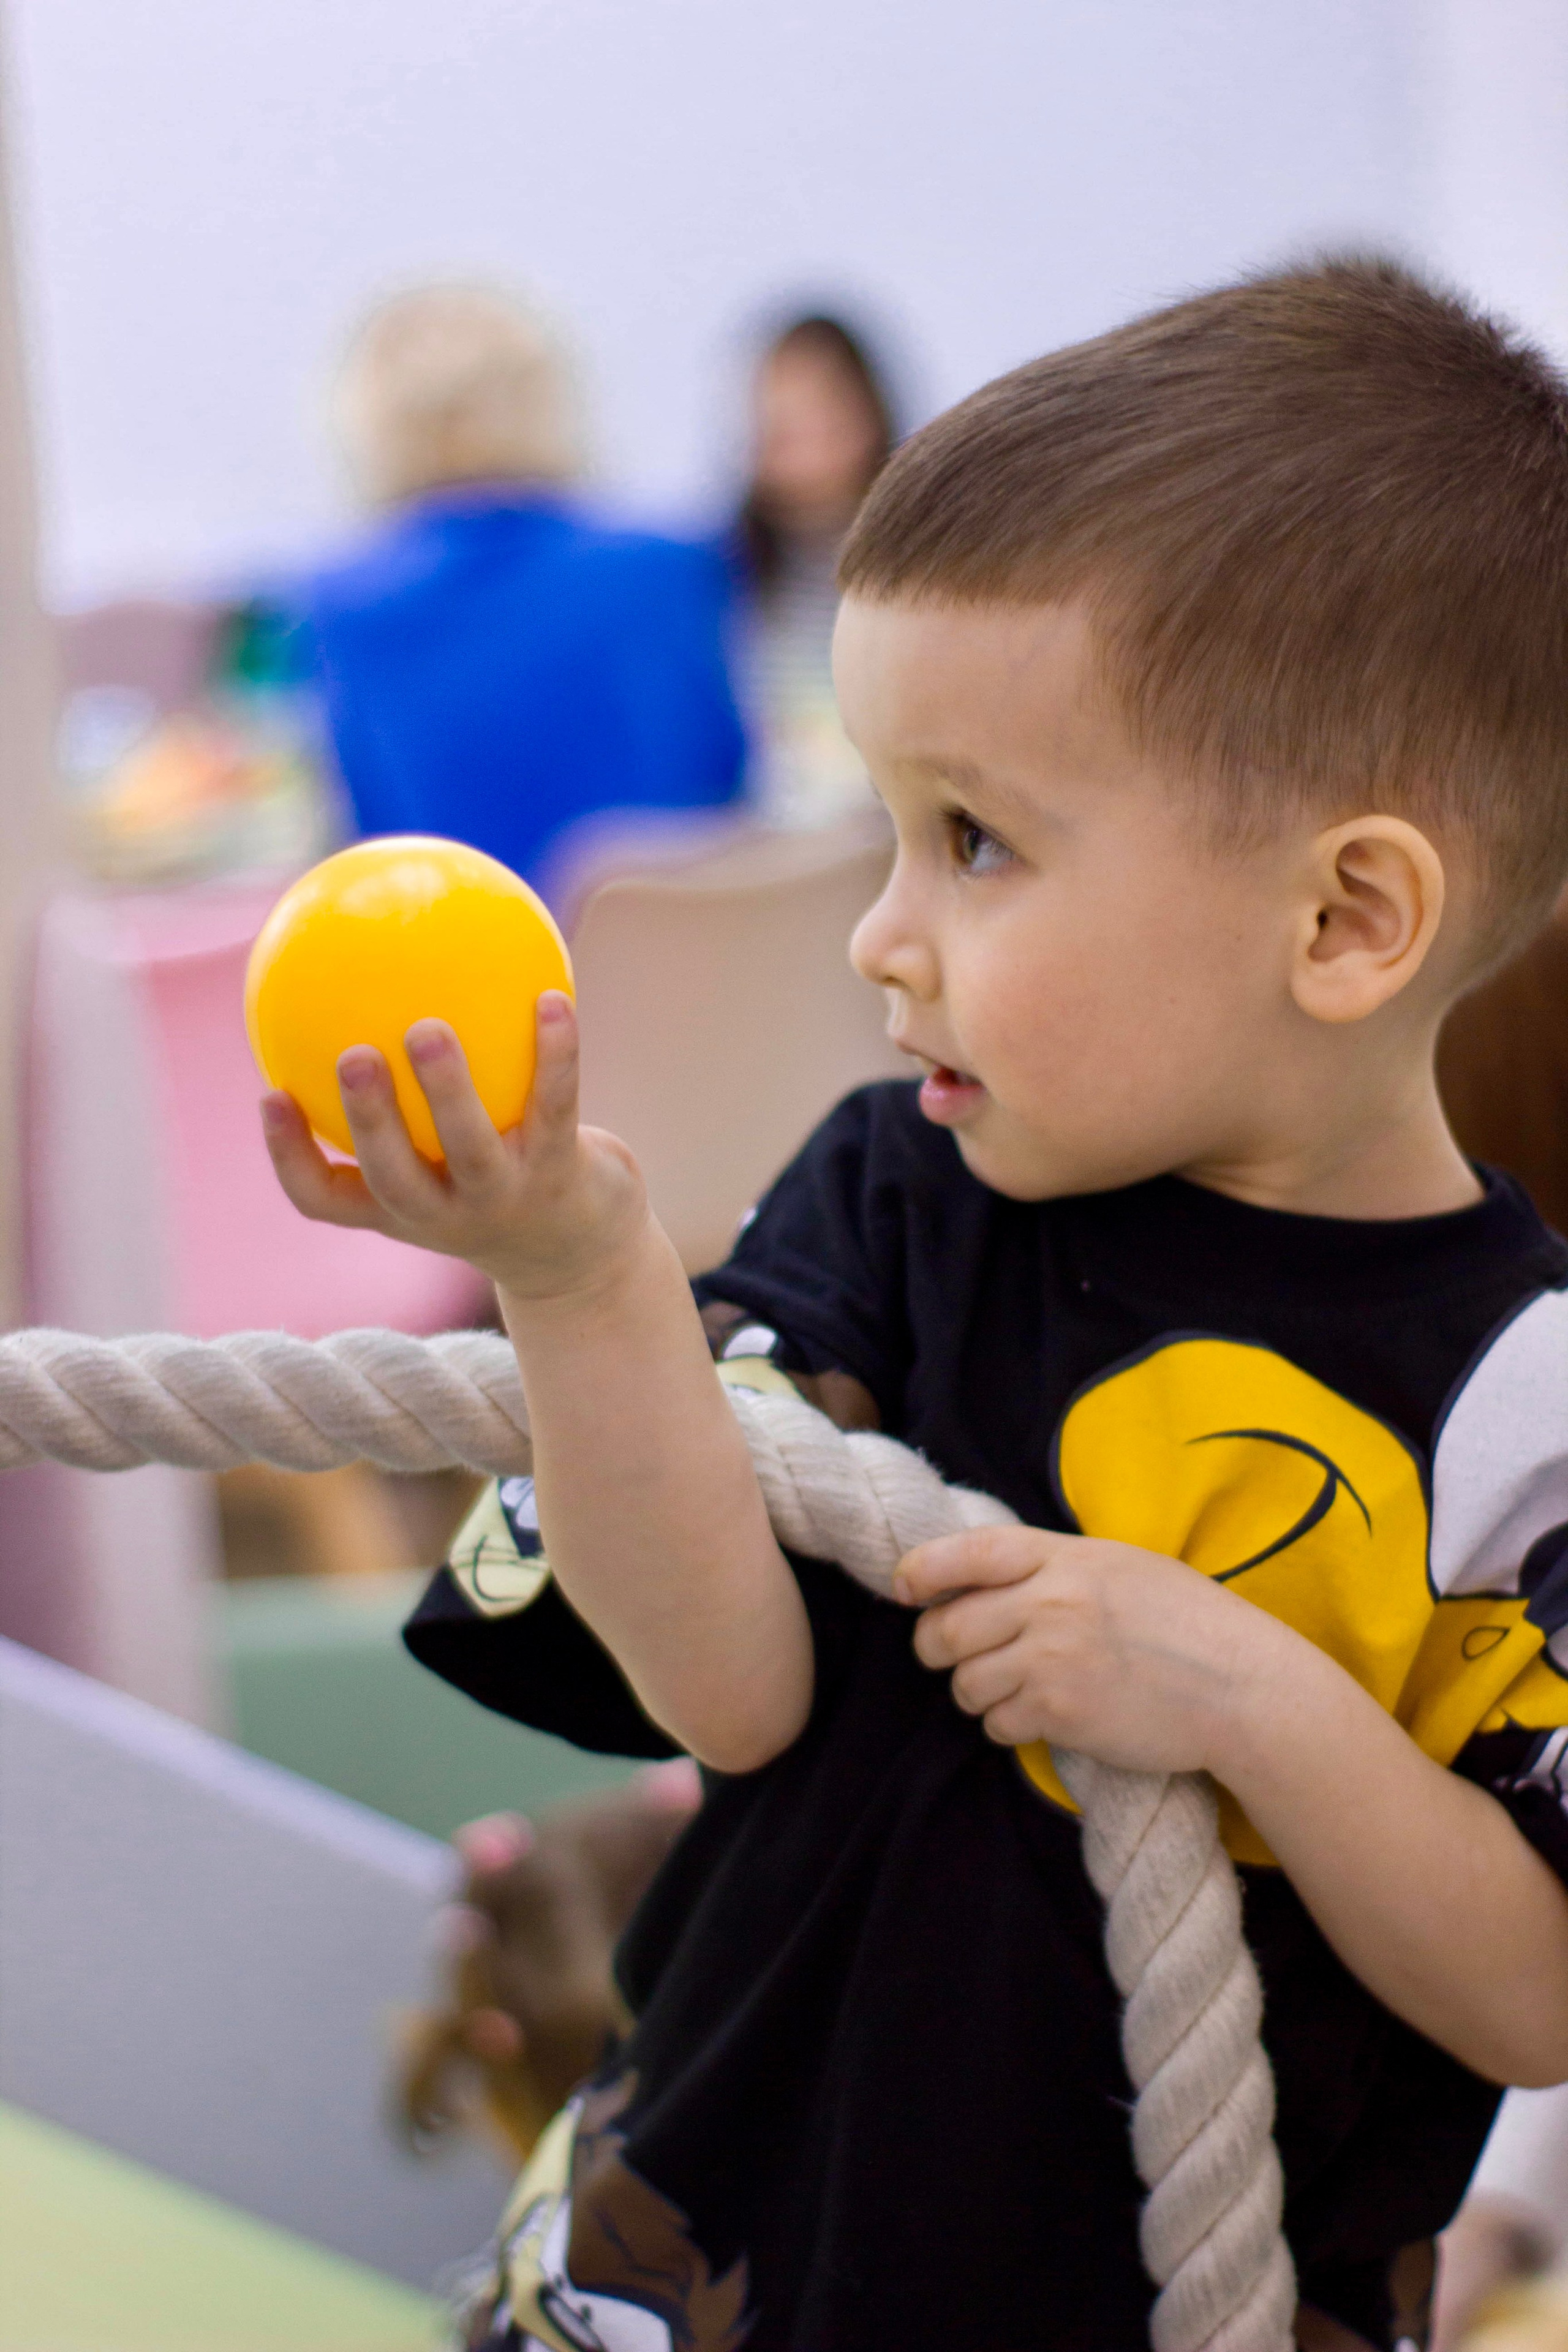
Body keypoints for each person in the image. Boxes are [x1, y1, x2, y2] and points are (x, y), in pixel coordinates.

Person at [261, 258, 1568, 2352]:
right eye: (888, 828)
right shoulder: (901, 1193)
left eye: (975, 842)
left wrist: (1251, 1698)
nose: (879, 933)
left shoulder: (1529, 1406)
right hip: (692, 2280)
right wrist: (578, 1277)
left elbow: (1538, 1989)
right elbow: (726, 1687)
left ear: (1344, 918)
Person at [296, 285, 746, 897]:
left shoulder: (341, 608)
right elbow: (731, 791)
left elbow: (368, 835)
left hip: (468, 949)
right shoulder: (671, 564)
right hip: (693, 941)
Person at [731, 313, 896, 831]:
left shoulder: (914, 574)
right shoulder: (725, 575)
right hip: (766, 830)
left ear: (866, 416)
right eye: (776, 416)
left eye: (816, 410)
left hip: (882, 826)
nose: (790, 430)